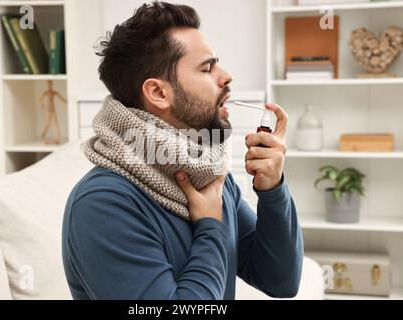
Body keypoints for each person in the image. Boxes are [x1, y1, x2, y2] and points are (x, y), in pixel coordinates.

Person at [62, 1, 303, 300]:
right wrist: (210, 228)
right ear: (159, 93)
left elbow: (281, 281)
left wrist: (273, 189)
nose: (226, 76)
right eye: (207, 68)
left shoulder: (208, 173)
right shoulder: (103, 204)